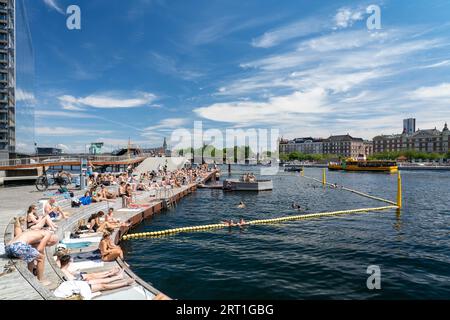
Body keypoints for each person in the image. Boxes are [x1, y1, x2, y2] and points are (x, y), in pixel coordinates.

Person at [59, 255, 133, 293]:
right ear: (68, 262)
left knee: (94, 276)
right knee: (102, 285)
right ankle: (124, 282)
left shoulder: (62, 269)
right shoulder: (63, 270)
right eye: (71, 261)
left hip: (78, 282)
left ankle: (116, 276)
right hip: (78, 286)